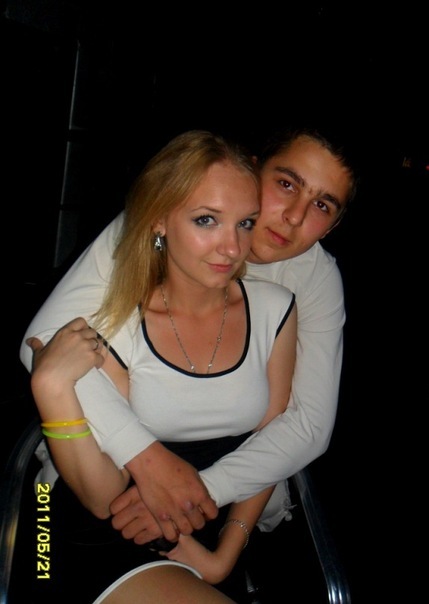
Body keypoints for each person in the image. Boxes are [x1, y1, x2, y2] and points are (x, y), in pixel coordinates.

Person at [20, 125, 359, 545]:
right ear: (253, 171)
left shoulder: (306, 284)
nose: (294, 216)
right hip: (100, 469)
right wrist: (144, 457)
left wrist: (200, 495)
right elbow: (44, 344)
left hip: (230, 495)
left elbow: (307, 424)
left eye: (322, 205)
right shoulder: (160, 223)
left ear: (332, 226)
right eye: (286, 184)